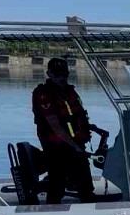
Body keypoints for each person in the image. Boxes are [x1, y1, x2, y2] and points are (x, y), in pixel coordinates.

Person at [31, 57, 104, 203]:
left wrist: (90, 129)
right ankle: (51, 210)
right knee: (57, 181)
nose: (61, 78)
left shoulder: (69, 92)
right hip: (57, 146)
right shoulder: (44, 94)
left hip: (75, 144)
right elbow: (55, 125)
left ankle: (88, 202)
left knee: (84, 179)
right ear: (49, 74)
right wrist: (74, 145)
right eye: (57, 75)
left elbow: (74, 116)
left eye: (64, 74)